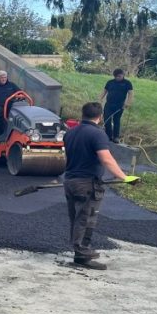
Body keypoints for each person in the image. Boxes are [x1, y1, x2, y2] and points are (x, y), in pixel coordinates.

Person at [62, 102, 136, 270]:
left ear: (83, 114)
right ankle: (82, 252)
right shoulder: (97, 134)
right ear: (100, 116)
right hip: (87, 183)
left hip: (70, 181)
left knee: (76, 219)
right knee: (86, 218)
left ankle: (80, 257)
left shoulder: (70, 133)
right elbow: (106, 159)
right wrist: (125, 177)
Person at [99, 68, 135, 142]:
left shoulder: (127, 83)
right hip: (109, 104)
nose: (117, 78)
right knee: (107, 120)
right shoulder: (110, 82)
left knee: (116, 121)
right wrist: (100, 99)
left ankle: (116, 137)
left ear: (123, 75)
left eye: (119, 76)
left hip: (119, 105)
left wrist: (128, 103)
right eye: (116, 76)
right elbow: (104, 91)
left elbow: (130, 94)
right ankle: (108, 136)